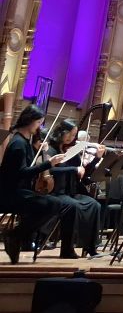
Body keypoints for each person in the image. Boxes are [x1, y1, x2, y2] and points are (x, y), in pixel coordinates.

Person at [0, 105, 75, 263]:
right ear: (30, 121)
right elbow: (22, 172)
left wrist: (39, 152)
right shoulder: (18, 144)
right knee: (52, 204)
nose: (39, 127)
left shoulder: (25, 142)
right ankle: (16, 236)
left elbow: (28, 166)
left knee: (54, 203)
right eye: (39, 123)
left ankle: (17, 236)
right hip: (11, 194)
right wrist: (49, 163)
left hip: (20, 192)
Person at [47, 118, 103, 257]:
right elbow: (50, 170)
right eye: (70, 135)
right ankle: (67, 249)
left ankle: (90, 248)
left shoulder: (72, 151)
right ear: (61, 133)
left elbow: (83, 174)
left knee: (94, 204)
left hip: (71, 192)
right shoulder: (52, 149)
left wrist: (97, 158)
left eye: (74, 135)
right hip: (55, 192)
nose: (72, 138)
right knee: (72, 207)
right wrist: (73, 169)